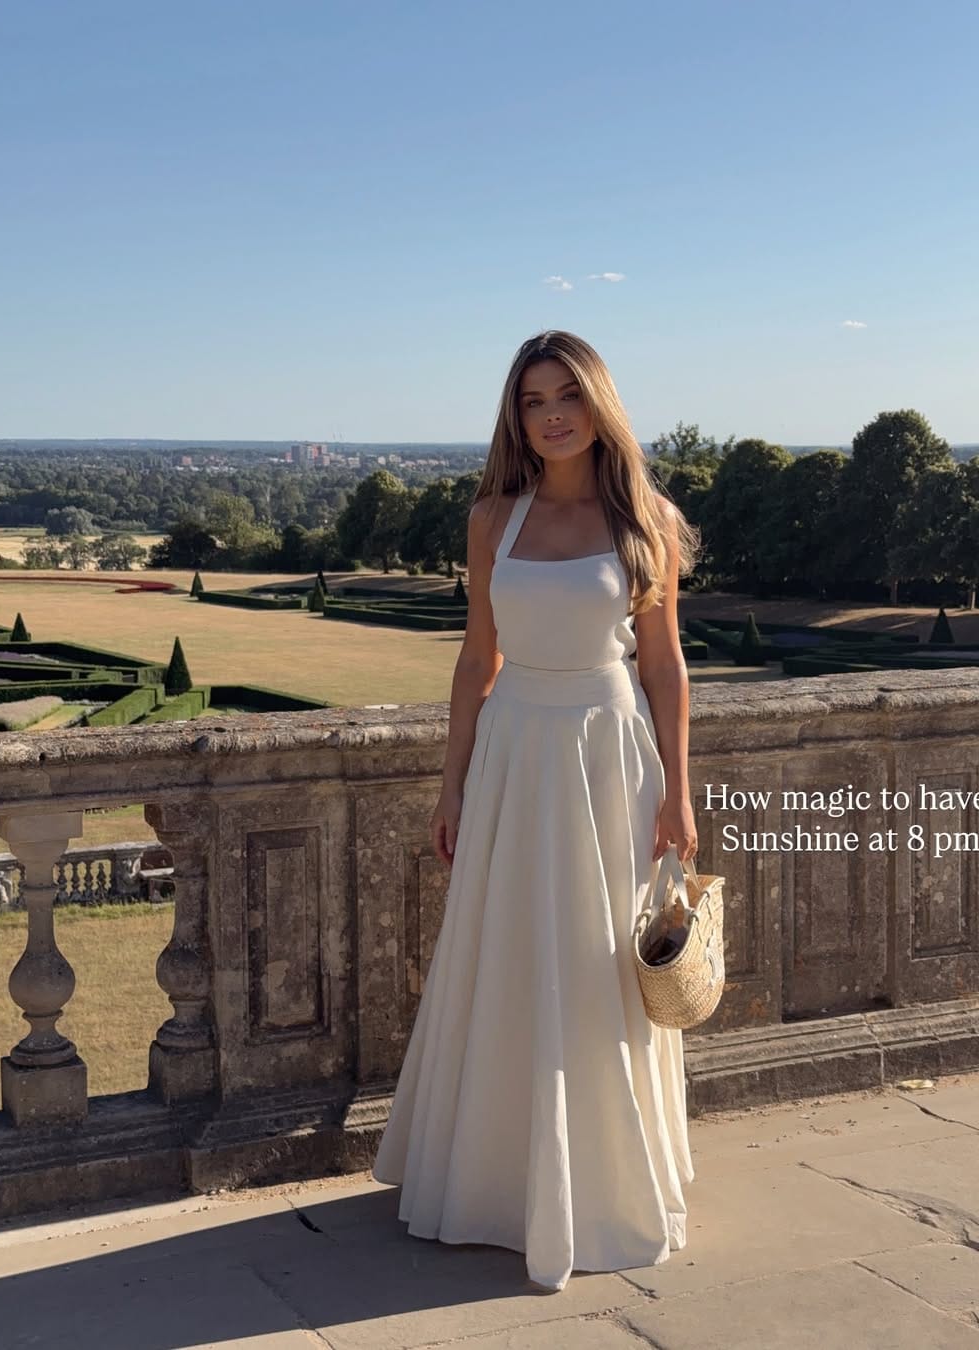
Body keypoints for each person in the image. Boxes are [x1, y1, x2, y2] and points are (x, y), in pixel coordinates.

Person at [371, 329, 702, 1292]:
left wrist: (679, 791)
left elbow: (665, 667)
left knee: (600, 966)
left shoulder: (648, 520)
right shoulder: (492, 519)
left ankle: (606, 1184)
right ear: (515, 416)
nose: (551, 412)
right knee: (506, 951)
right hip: (515, 752)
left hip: (608, 755)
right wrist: (451, 781)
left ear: (598, 402)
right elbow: (479, 659)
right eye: (531, 399)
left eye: (566, 393)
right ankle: (495, 1185)